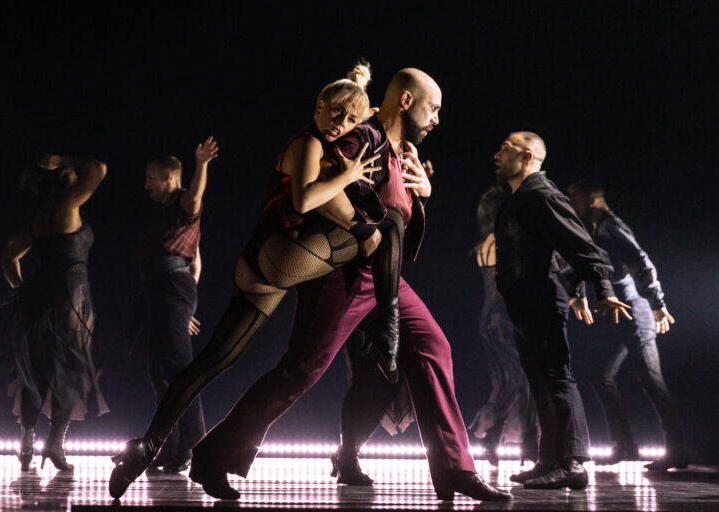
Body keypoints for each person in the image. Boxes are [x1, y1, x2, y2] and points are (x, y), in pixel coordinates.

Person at [187, 68, 512, 503]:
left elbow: (396, 213)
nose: (437, 118)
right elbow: (318, 190)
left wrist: (423, 192)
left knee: (433, 347)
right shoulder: (363, 138)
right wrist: (363, 229)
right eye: (433, 108)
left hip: (383, 278)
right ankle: (212, 455)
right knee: (301, 369)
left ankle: (455, 469)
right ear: (406, 101)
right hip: (343, 273)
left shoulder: (400, 151)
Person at [109, 63, 402, 498]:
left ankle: (147, 446)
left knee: (213, 360)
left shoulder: (327, 142)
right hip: (281, 255)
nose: (341, 123)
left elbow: (347, 130)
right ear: (318, 108)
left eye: (350, 119)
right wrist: (348, 180)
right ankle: (385, 325)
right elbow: (305, 199)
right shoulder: (307, 143)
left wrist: (358, 122)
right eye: (335, 113)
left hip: (260, 266)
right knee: (386, 227)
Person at [492, 132, 632, 490]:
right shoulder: (518, 199)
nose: (497, 154)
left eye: (505, 148)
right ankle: (550, 459)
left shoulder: (543, 195)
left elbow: (579, 244)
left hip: (540, 297)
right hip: (523, 300)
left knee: (557, 377)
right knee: (540, 381)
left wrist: (602, 288)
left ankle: (573, 463)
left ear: (527, 156)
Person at [1, 154, 109, 472]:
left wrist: (19, 289)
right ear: (66, 184)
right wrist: (59, 159)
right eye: (73, 176)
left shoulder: (38, 217)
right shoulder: (67, 207)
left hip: (37, 298)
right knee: (71, 371)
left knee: (35, 371)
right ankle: (54, 443)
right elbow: (99, 168)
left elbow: (8, 256)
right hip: (70, 299)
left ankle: (26, 441)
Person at [566, 179, 685, 470]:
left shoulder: (611, 226)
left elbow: (641, 261)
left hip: (636, 311)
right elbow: (583, 265)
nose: (572, 205)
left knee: (651, 380)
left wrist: (657, 303)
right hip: (619, 313)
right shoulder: (594, 229)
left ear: (592, 200)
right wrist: (578, 292)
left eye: (576, 199)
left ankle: (677, 450)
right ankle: (625, 445)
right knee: (600, 375)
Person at [134, 141, 218, 473]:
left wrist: (202, 164)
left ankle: (196, 448)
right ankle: (171, 449)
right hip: (163, 293)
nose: (146, 186)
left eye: (150, 178)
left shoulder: (184, 203)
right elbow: (197, 261)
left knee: (180, 372)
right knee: (160, 373)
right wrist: (187, 304)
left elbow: (195, 198)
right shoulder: (168, 214)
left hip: (171, 289)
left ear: (168, 177)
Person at [468, 184, 538, 465]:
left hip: (488, 317)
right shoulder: (504, 244)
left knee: (506, 380)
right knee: (522, 380)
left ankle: (498, 437)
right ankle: (523, 441)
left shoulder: (483, 244)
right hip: (505, 315)